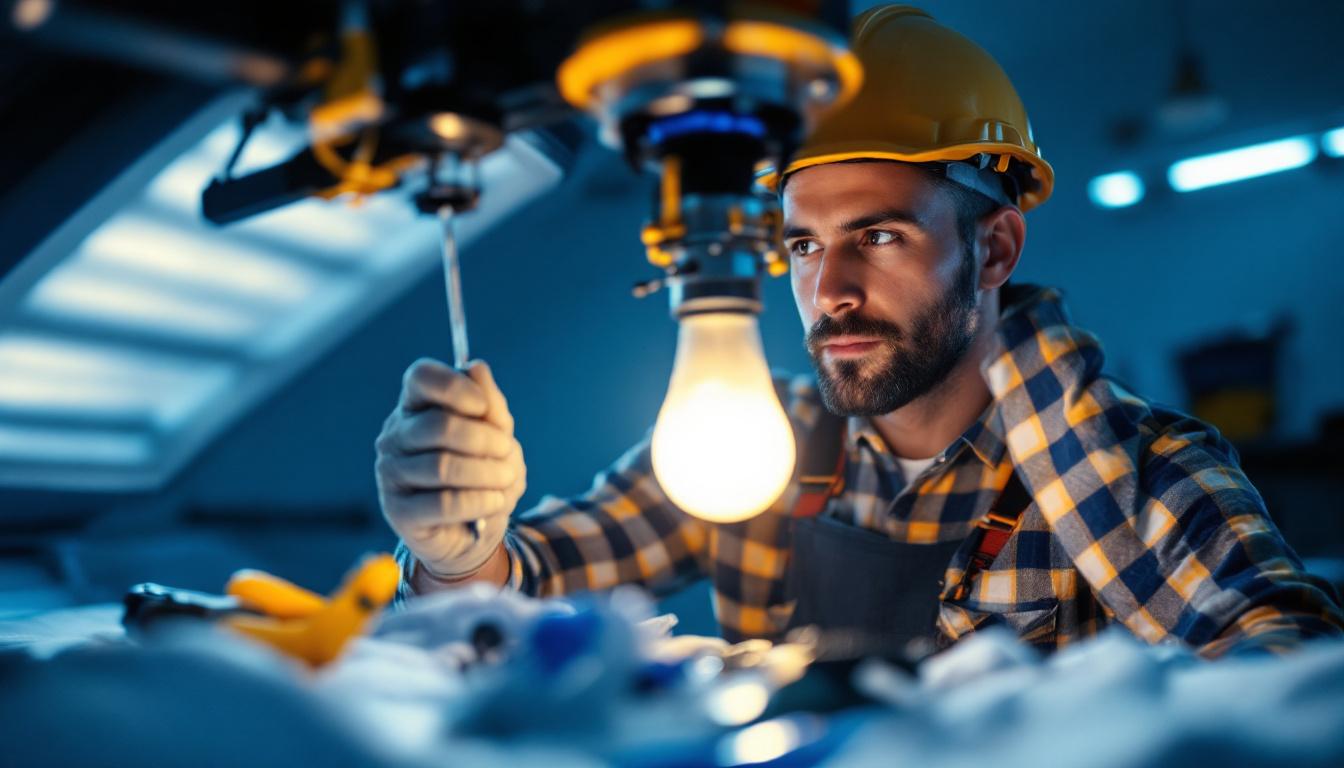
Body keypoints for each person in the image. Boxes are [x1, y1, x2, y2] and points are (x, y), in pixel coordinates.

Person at [374, 5, 1343, 656]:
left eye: (877, 236)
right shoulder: (754, 448)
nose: (828, 289)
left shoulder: (1151, 468)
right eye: (801, 245)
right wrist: (459, 551)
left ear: (996, 248)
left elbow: (1298, 678)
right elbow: (524, 585)